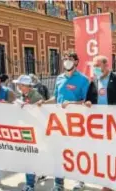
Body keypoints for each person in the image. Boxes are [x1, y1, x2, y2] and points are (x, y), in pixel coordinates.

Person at [37, 53, 90, 191]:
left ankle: (80, 180)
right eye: (64, 59)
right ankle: (58, 183)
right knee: (58, 152)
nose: (66, 62)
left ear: (76, 62)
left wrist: (72, 103)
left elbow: (87, 101)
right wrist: (44, 102)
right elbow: (56, 97)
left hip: (76, 122)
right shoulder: (59, 78)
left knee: (77, 152)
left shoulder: (83, 79)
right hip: (59, 122)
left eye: (70, 59)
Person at [80, 55, 116, 191]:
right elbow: (88, 99)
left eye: (98, 66)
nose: (95, 69)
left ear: (106, 65)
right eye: (94, 66)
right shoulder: (94, 81)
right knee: (104, 153)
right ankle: (108, 182)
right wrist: (88, 103)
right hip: (100, 125)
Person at [12, 75, 44, 191]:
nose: (18, 87)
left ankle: (30, 184)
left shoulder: (35, 96)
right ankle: (31, 181)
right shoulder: (21, 96)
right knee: (28, 157)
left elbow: (40, 113)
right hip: (25, 130)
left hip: (34, 131)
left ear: (26, 86)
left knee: (31, 157)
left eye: (20, 85)